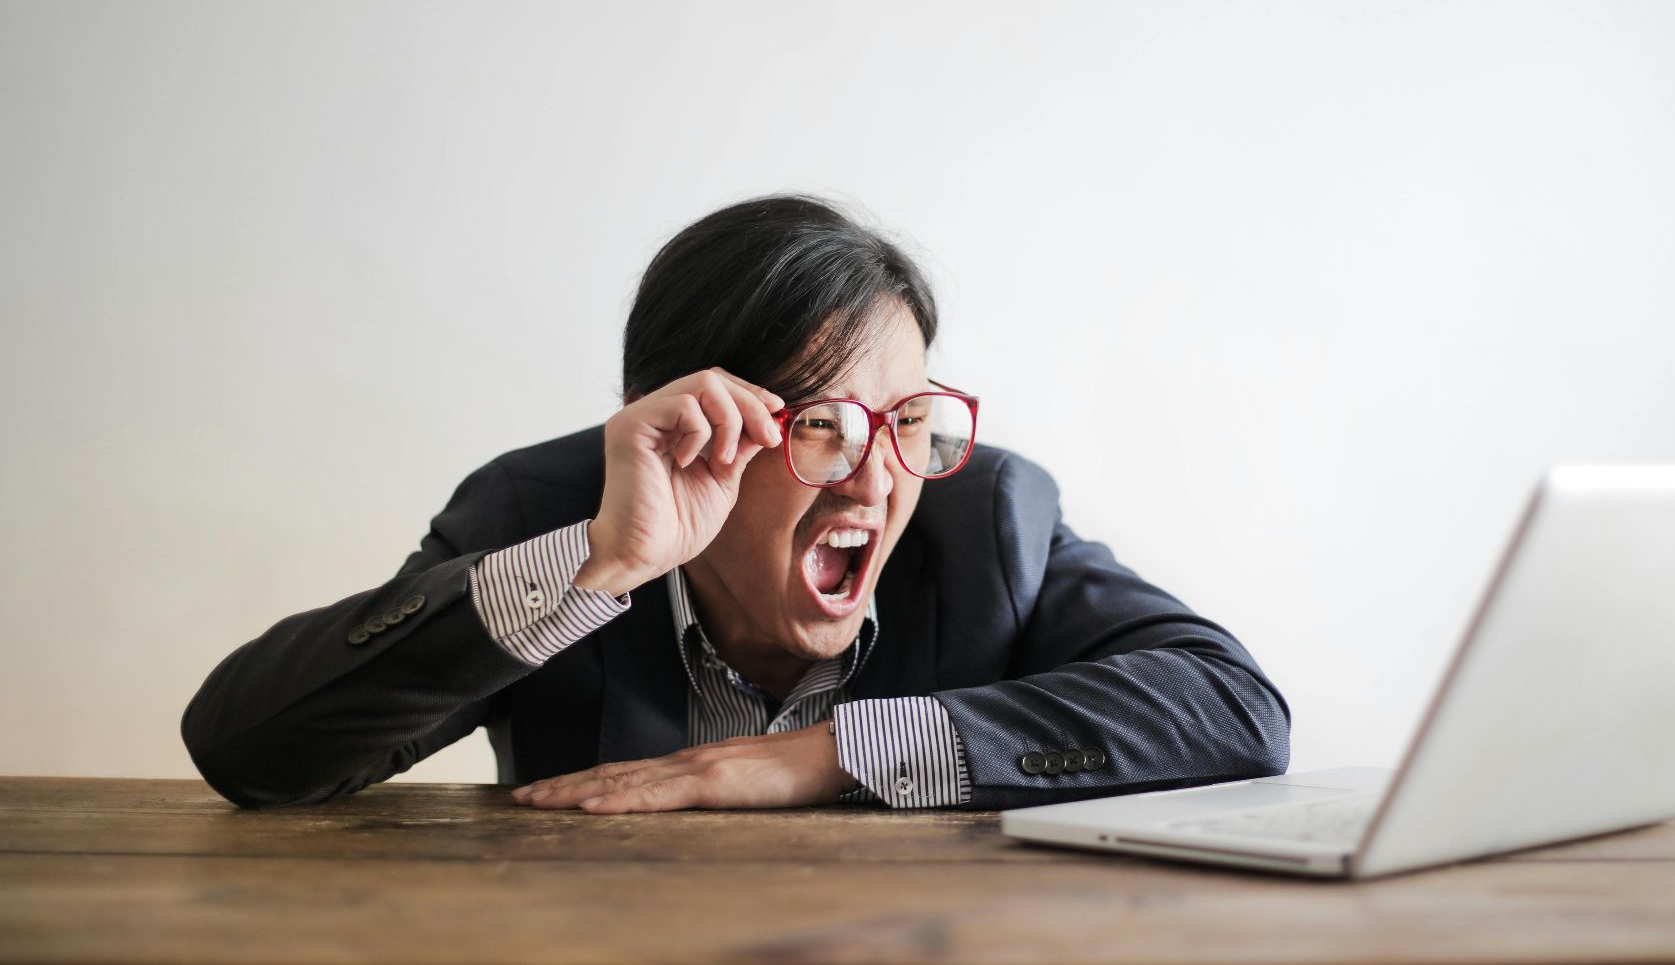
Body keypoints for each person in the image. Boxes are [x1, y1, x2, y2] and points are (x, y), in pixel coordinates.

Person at [181, 193, 1293, 812]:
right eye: (818, 423)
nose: (875, 477)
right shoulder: (544, 508)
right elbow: (247, 750)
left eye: (907, 418)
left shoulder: (987, 514)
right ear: (678, 420)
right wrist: (597, 569)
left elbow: (1233, 708)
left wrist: (821, 755)